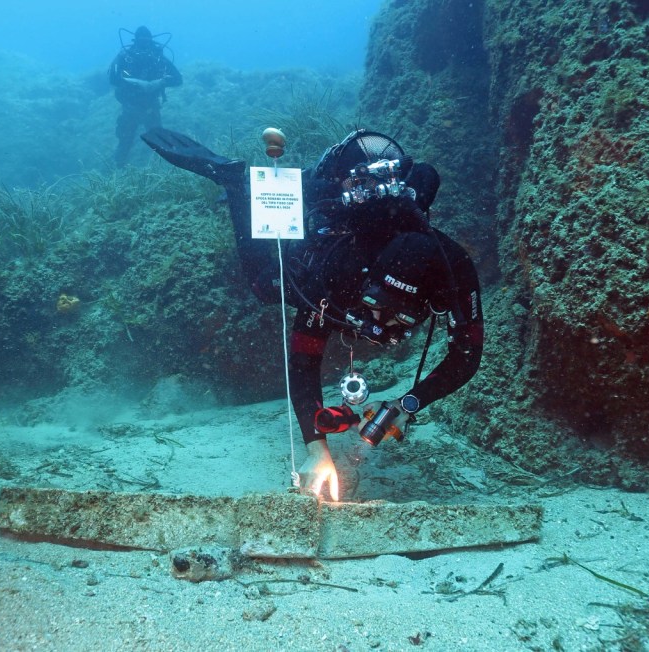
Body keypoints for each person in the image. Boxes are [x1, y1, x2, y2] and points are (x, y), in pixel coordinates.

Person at [141, 128, 484, 500]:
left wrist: (408, 404)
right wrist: (316, 449)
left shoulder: (454, 269)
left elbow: (466, 356)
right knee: (264, 286)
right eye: (377, 308)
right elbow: (303, 362)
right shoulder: (340, 270)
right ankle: (236, 182)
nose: (383, 324)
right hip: (333, 244)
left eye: (400, 317)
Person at [107, 26, 183, 166]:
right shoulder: (125, 57)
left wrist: (160, 82)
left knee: (159, 143)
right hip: (130, 108)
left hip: (151, 107)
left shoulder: (158, 58)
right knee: (125, 143)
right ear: (135, 42)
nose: (144, 45)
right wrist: (135, 83)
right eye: (141, 42)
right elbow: (112, 78)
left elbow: (178, 79)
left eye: (146, 42)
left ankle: (163, 169)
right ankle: (117, 170)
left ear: (151, 42)